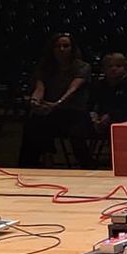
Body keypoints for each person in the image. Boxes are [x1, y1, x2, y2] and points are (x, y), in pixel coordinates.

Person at [21, 32, 90, 166]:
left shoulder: (82, 67)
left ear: (72, 48)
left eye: (66, 46)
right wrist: (35, 101)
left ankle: (87, 166)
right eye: (58, 46)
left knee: (77, 135)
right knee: (32, 125)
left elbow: (73, 88)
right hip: (51, 111)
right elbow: (40, 88)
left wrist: (57, 103)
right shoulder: (45, 67)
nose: (62, 49)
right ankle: (28, 166)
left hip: (74, 112)